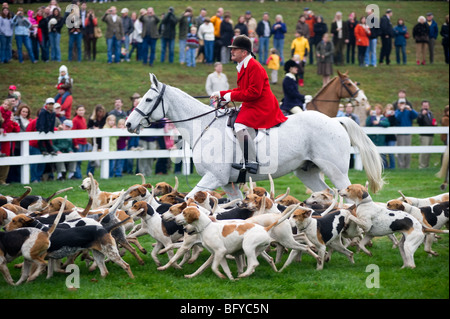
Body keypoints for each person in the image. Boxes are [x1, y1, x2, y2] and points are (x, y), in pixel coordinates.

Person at [210, 35, 287, 174]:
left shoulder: (254, 66)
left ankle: (251, 161)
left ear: (244, 52)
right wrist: (221, 93)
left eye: (235, 49)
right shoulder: (243, 66)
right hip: (253, 103)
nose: (231, 51)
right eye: (232, 49)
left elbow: (253, 93)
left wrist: (229, 96)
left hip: (262, 105)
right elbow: (241, 90)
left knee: (239, 124)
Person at [0, 99, 19, 185]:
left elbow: (17, 130)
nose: (5, 106)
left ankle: (2, 180)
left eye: (8, 105)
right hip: (2, 143)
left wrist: (13, 121)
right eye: (4, 104)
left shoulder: (10, 120)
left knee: (6, 163)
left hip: (6, 145)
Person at [395, 98, 418, 169]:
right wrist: (401, 110)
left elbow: (416, 115)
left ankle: (407, 167)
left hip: (408, 134)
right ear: (398, 104)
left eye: (403, 103)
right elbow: (397, 118)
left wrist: (410, 109)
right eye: (401, 103)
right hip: (400, 134)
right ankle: (401, 166)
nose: (402, 105)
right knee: (401, 151)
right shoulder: (397, 112)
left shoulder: (408, 111)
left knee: (408, 151)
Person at [86, 104, 106, 175]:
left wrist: (99, 128)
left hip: (104, 140)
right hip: (95, 141)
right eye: (99, 112)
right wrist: (93, 129)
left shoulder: (105, 117)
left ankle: (104, 172)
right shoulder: (92, 119)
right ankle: (89, 173)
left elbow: (105, 126)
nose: (100, 113)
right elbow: (88, 127)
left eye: (101, 112)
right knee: (93, 157)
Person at [417, 100, 436, 169]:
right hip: (424, 134)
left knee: (428, 151)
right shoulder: (420, 113)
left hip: (431, 134)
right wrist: (422, 115)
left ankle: (426, 165)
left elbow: (432, 121)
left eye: (427, 105)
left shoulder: (430, 113)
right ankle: (422, 166)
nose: (425, 107)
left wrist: (434, 124)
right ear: (422, 106)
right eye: (424, 106)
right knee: (423, 151)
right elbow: (418, 121)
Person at [72, 104, 88, 179]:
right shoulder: (75, 120)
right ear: (76, 111)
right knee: (77, 160)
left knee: (80, 160)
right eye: (79, 110)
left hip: (83, 142)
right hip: (78, 143)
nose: (81, 111)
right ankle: (78, 175)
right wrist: (75, 143)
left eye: (82, 110)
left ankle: (78, 175)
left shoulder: (83, 119)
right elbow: (73, 132)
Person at [384, 104, 397, 169]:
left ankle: (392, 167)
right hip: (384, 137)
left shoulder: (393, 117)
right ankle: (385, 166)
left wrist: (392, 116)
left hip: (391, 137)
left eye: (390, 109)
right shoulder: (382, 116)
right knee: (383, 153)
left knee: (391, 153)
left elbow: (394, 123)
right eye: (387, 109)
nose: (388, 110)